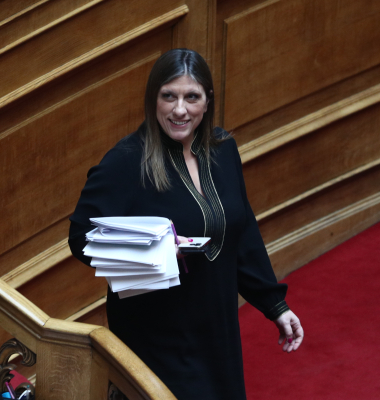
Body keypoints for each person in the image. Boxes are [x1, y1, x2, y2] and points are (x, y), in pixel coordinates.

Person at [69, 48, 304, 400]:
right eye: (169, 96)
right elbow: (81, 236)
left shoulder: (223, 149)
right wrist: (154, 250)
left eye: (191, 97)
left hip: (216, 329)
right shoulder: (126, 161)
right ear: (153, 100)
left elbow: (241, 233)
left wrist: (275, 305)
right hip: (154, 335)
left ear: (207, 102)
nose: (180, 109)